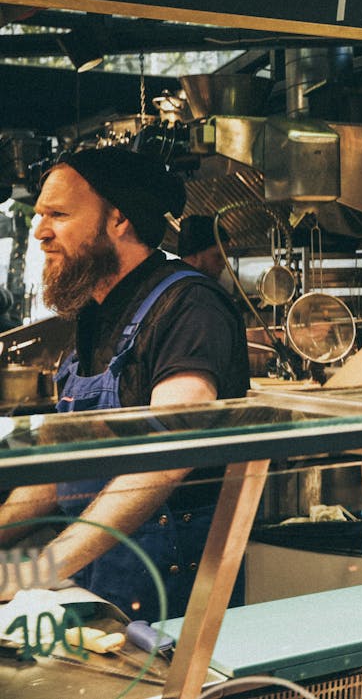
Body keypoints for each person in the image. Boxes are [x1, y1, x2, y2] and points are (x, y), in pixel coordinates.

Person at [0, 148, 249, 623]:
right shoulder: (93, 314)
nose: (40, 232)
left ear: (119, 219)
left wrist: (40, 569)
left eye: (58, 214)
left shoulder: (190, 307)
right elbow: (63, 463)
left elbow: (166, 458)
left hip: (174, 605)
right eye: (39, 215)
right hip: (101, 587)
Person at [178, 214, 229, 282]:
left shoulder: (166, 275)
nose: (223, 265)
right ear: (194, 256)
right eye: (218, 256)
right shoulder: (198, 289)